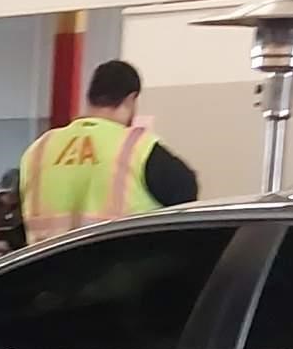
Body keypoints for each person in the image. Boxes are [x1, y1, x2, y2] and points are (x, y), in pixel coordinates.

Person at [17, 59, 199, 244]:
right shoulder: (137, 147)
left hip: (47, 270)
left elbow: (19, 220)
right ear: (131, 99)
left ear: (90, 98)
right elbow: (186, 196)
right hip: (120, 268)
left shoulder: (39, 149)